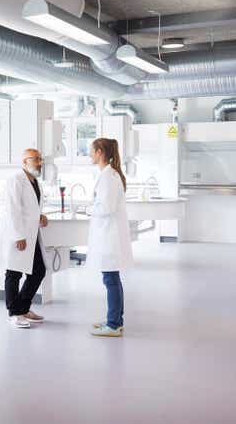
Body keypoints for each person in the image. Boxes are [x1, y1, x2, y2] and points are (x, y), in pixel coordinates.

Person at [0, 148, 49, 329]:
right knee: (14, 273)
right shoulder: (15, 180)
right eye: (36, 159)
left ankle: (23, 308)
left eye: (40, 159)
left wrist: (40, 216)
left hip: (31, 234)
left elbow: (30, 207)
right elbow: (13, 209)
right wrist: (18, 235)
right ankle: (14, 313)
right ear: (24, 161)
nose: (40, 162)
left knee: (39, 271)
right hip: (18, 234)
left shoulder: (35, 181)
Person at [87, 138, 133, 337]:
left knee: (110, 279)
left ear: (99, 152)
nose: (89, 155)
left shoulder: (107, 177)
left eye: (91, 151)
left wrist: (88, 209)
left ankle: (114, 324)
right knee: (113, 278)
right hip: (110, 234)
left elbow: (106, 207)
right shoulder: (110, 174)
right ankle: (115, 320)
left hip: (109, 236)